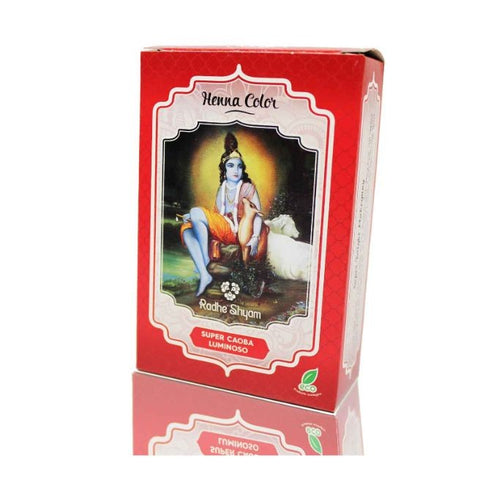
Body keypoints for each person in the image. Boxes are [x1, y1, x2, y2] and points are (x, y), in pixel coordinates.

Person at [181, 132, 264, 296]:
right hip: (222, 228)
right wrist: (194, 219)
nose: (236, 170)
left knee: (195, 211)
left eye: (239, 166)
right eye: (231, 166)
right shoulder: (222, 188)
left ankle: (204, 260)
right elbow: (215, 215)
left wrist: (254, 237)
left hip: (238, 232)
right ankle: (204, 274)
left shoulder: (248, 187)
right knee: (187, 229)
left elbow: (258, 215)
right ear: (224, 170)